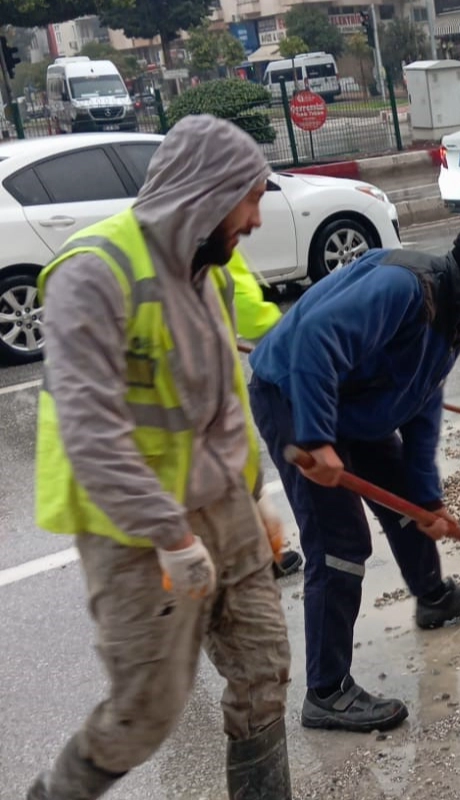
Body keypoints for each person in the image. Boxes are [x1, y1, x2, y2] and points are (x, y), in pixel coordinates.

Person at [27, 115, 293, 799]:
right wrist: (171, 536)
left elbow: (224, 397)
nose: (256, 220)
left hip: (224, 505)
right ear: (207, 194)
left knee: (263, 668)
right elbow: (90, 428)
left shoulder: (210, 274)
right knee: (147, 710)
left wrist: (256, 491)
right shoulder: (94, 273)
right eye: (249, 200)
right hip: (136, 528)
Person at [246, 215, 460, 734]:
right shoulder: (404, 288)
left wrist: (428, 497)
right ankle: (327, 691)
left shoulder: (455, 316)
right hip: (295, 394)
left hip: (357, 402)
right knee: (340, 542)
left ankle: (433, 598)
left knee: (408, 503)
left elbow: (421, 406)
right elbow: (314, 339)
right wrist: (317, 438)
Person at [227, 250, 304, 580]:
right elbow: (248, 310)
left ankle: (261, 549)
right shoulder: (210, 239)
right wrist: (290, 340)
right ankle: (258, 552)